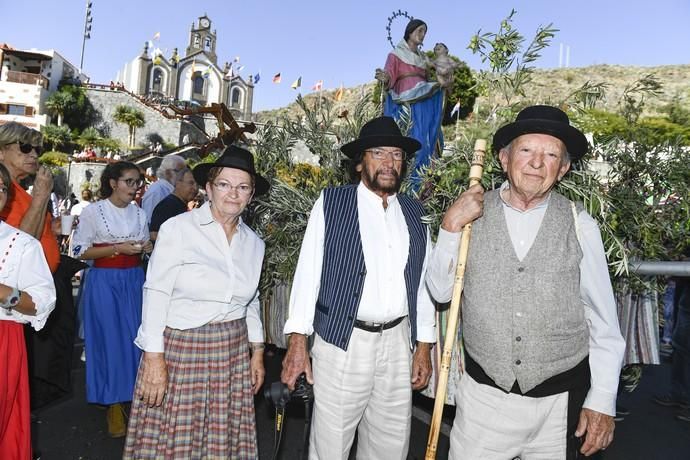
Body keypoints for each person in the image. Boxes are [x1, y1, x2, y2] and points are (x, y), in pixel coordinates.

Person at [426, 105, 626, 459]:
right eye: (527, 150)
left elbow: (604, 322)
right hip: (485, 402)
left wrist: (603, 400)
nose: (537, 162)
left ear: (563, 169)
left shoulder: (581, 226)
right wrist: (450, 226)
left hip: (560, 407)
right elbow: (440, 291)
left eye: (551, 155)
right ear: (504, 159)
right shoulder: (470, 216)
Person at [281, 116, 436, 460]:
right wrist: (297, 342)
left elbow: (423, 283)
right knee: (331, 445)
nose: (388, 162)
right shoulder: (332, 203)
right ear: (360, 162)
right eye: (378, 153)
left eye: (396, 154)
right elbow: (308, 275)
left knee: (391, 444)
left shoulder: (414, 212)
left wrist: (423, 346)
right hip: (341, 342)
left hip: (398, 344)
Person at [123, 145, 268, 459]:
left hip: (231, 351)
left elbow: (251, 300)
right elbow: (156, 292)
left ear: (251, 194)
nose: (233, 193)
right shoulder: (179, 229)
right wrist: (153, 359)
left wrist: (257, 352)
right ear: (209, 188)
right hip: (182, 350)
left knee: (222, 441)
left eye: (243, 187)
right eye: (225, 185)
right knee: (174, 441)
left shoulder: (255, 244)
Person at [71, 161, 152, 437]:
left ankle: (137, 402)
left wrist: (148, 246)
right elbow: (79, 250)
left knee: (136, 341)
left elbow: (142, 248)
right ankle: (114, 405)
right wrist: (116, 248)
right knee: (109, 343)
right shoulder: (94, 212)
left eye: (138, 182)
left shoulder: (140, 214)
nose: (135, 187)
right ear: (113, 183)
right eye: (129, 181)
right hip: (104, 283)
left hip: (134, 281)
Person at [0, 162, 56, 460]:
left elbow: (41, 302)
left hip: (3, 342)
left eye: (0, 187)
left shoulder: (20, 244)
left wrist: (3, 293)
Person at [375, 18, 444, 183]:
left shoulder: (423, 59)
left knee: (427, 141)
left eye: (425, 32)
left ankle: (425, 179)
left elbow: (430, 81)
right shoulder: (395, 55)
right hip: (407, 105)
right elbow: (389, 76)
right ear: (410, 31)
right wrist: (385, 78)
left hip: (424, 105)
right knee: (413, 139)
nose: (423, 35)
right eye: (420, 31)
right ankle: (409, 180)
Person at [148, 167, 198, 241]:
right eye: (191, 183)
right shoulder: (166, 206)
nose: (195, 188)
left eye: (197, 184)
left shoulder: (179, 204)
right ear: (178, 183)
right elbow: (154, 234)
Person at [141, 155, 185, 224]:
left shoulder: (169, 189)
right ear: (168, 173)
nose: (184, 175)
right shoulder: (157, 191)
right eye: (180, 172)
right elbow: (151, 222)